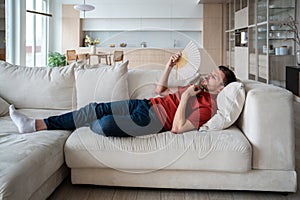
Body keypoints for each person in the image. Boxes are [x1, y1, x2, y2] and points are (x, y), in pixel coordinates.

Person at [9, 52, 237, 137]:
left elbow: (177, 128)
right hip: (144, 104)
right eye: (210, 74)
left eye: (214, 78)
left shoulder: (208, 107)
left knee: (106, 124)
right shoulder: (198, 88)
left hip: (152, 120)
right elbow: (159, 90)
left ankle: (85, 123)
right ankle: (35, 125)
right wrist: (168, 65)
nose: (207, 77)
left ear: (222, 89)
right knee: (93, 108)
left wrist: (186, 96)